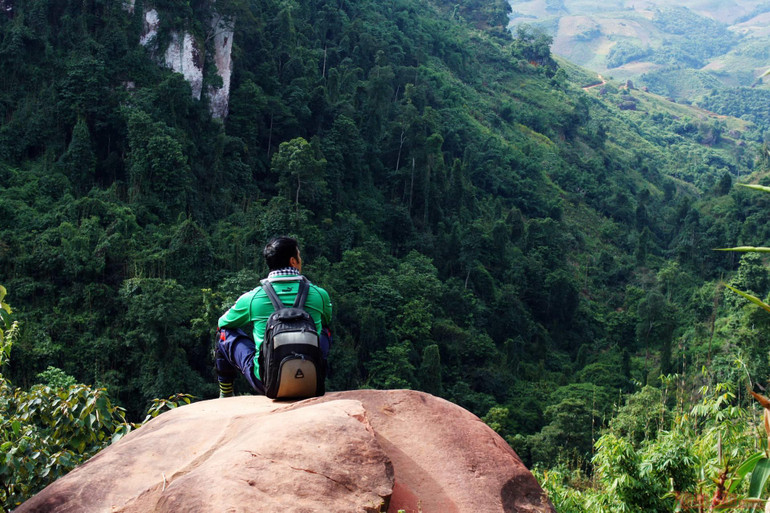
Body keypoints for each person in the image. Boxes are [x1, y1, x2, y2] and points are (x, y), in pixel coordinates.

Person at [214, 236, 332, 397]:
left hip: (267, 383)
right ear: (293, 261)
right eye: (299, 255)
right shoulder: (319, 294)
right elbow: (327, 321)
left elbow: (223, 322)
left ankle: (225, 393)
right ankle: (311, 372)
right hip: (312, 381)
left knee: (224, 333)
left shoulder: (253, 298)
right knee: (325, 330)